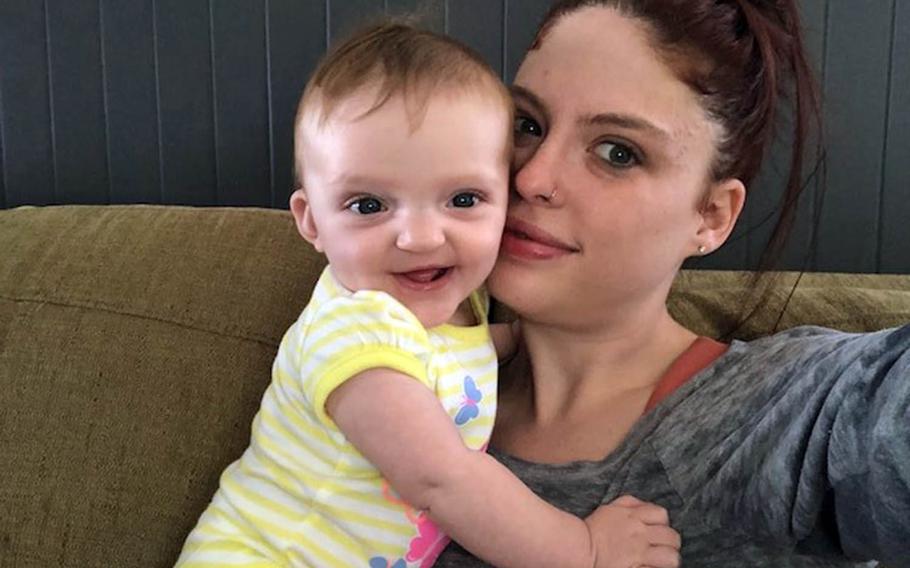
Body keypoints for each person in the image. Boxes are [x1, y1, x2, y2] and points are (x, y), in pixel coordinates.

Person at [176, 22, 682, 568]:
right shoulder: (352, 332)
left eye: (463, 199)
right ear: (312, 221)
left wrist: (518, 340)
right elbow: (443, 481)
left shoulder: (459, 307)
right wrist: (583, 550)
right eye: (369, 205)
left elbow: (446, 354)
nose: (420, 238)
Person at [432, 1, 910, 567]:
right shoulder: (394, 356)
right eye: (527, 125)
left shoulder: (783, 412)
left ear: (710, 215)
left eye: (617, 152)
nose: (531, 176)